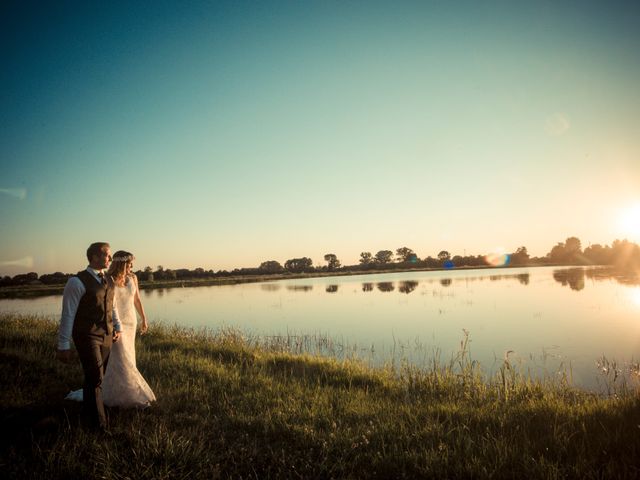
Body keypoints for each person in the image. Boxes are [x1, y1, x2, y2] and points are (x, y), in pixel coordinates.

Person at [57, 242, 121, 431]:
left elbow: (113, 305)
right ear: (94, 257)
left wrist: (116, 326)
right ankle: (99, 426)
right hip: (87, 335)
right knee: (95, 377)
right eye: (107, 255)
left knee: (96, 378)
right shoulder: (76, 281)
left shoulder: (108, 279)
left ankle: (88, 413)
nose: (110, 258)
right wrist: (63, 345)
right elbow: (67, 314)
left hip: (108, 335)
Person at [101, 250, 156, 408]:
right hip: (117, 323)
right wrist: (113, 325)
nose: (132, 266)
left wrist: (144, 318)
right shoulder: (108, 278)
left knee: (129, 356)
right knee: (120, 356)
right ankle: (124, 395)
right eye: (130, 263)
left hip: (131, 321)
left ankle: (127, 390)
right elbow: (109, 304)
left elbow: (137, 299)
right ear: (122, 263)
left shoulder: (133, 278)